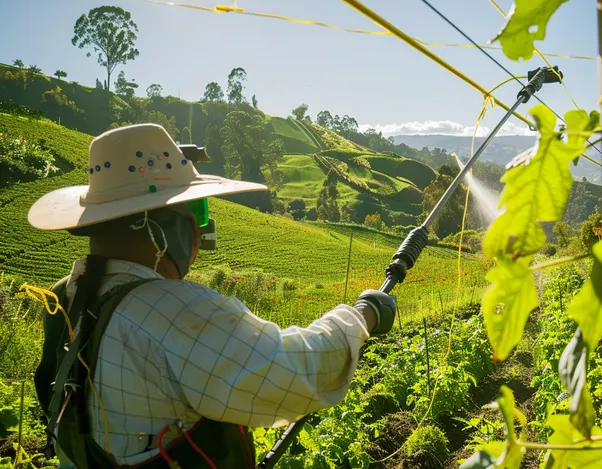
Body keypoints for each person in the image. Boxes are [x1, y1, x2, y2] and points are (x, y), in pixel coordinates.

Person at [29, 123, 397, 468]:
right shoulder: (170, 310)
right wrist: (363, 314)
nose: (200, 227)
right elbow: (292, 372)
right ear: (161, 225)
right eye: (195, 210)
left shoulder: (67, 295)